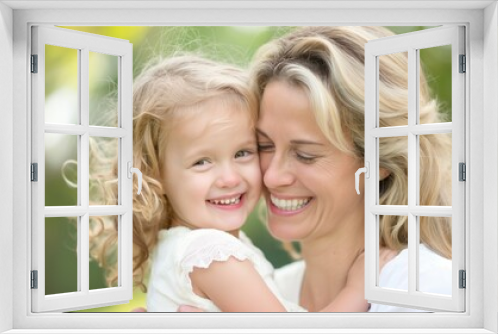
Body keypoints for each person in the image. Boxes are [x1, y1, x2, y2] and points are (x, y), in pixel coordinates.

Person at [179, 26, 452, 313]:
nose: (272, 176)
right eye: (264, 145)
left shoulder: (423, 291)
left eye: (305, 155)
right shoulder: (267, 291)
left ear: (379, 162)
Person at [91, 54, 372, 312]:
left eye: (243, 153)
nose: (229, 178)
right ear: (156, 175)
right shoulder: (211, 254)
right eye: (202, 162)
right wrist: (356, 291)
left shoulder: (189, 246)